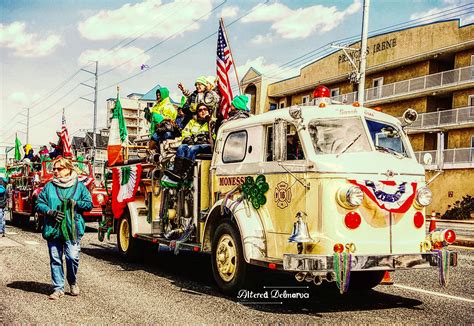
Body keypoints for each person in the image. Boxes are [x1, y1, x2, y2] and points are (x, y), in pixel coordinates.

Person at [36, 157, 93, 300]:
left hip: (72, 228)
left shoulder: (79, 187)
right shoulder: (49, 186)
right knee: (55, 258)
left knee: (72, 257)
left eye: (59, 169)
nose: (55, 171)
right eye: (54, 169)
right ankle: (58, 288)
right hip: (53, 228)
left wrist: (76, 203)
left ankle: (72, 281)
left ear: (68, 169)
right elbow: (38, 203)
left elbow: (89, 204)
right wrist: (49, 211)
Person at [165, 103, 214, 182]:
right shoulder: (192, 122)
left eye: (205, 109)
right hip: (194, 144)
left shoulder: (213, 122)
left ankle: (186, 173)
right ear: (197, 113)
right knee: (182, 147)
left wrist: (209, 121)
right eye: (200, 110)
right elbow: (185, 133)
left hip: (208, 146)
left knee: (193, 149)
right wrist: (188, 140)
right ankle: (176, 172)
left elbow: (217, 136)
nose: (203, 111)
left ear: (208, 111)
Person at [144, 87, 179, 151]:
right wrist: (147, 114)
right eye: (157, 95)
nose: (158, 96)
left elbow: (169, 120)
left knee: (159, 141)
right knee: (153, 143)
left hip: (166, 131)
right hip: (156, 129)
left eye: (160, 95)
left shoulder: (169, 107)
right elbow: (151, 120)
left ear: (164, 95)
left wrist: (156, 116)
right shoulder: (156, 106)